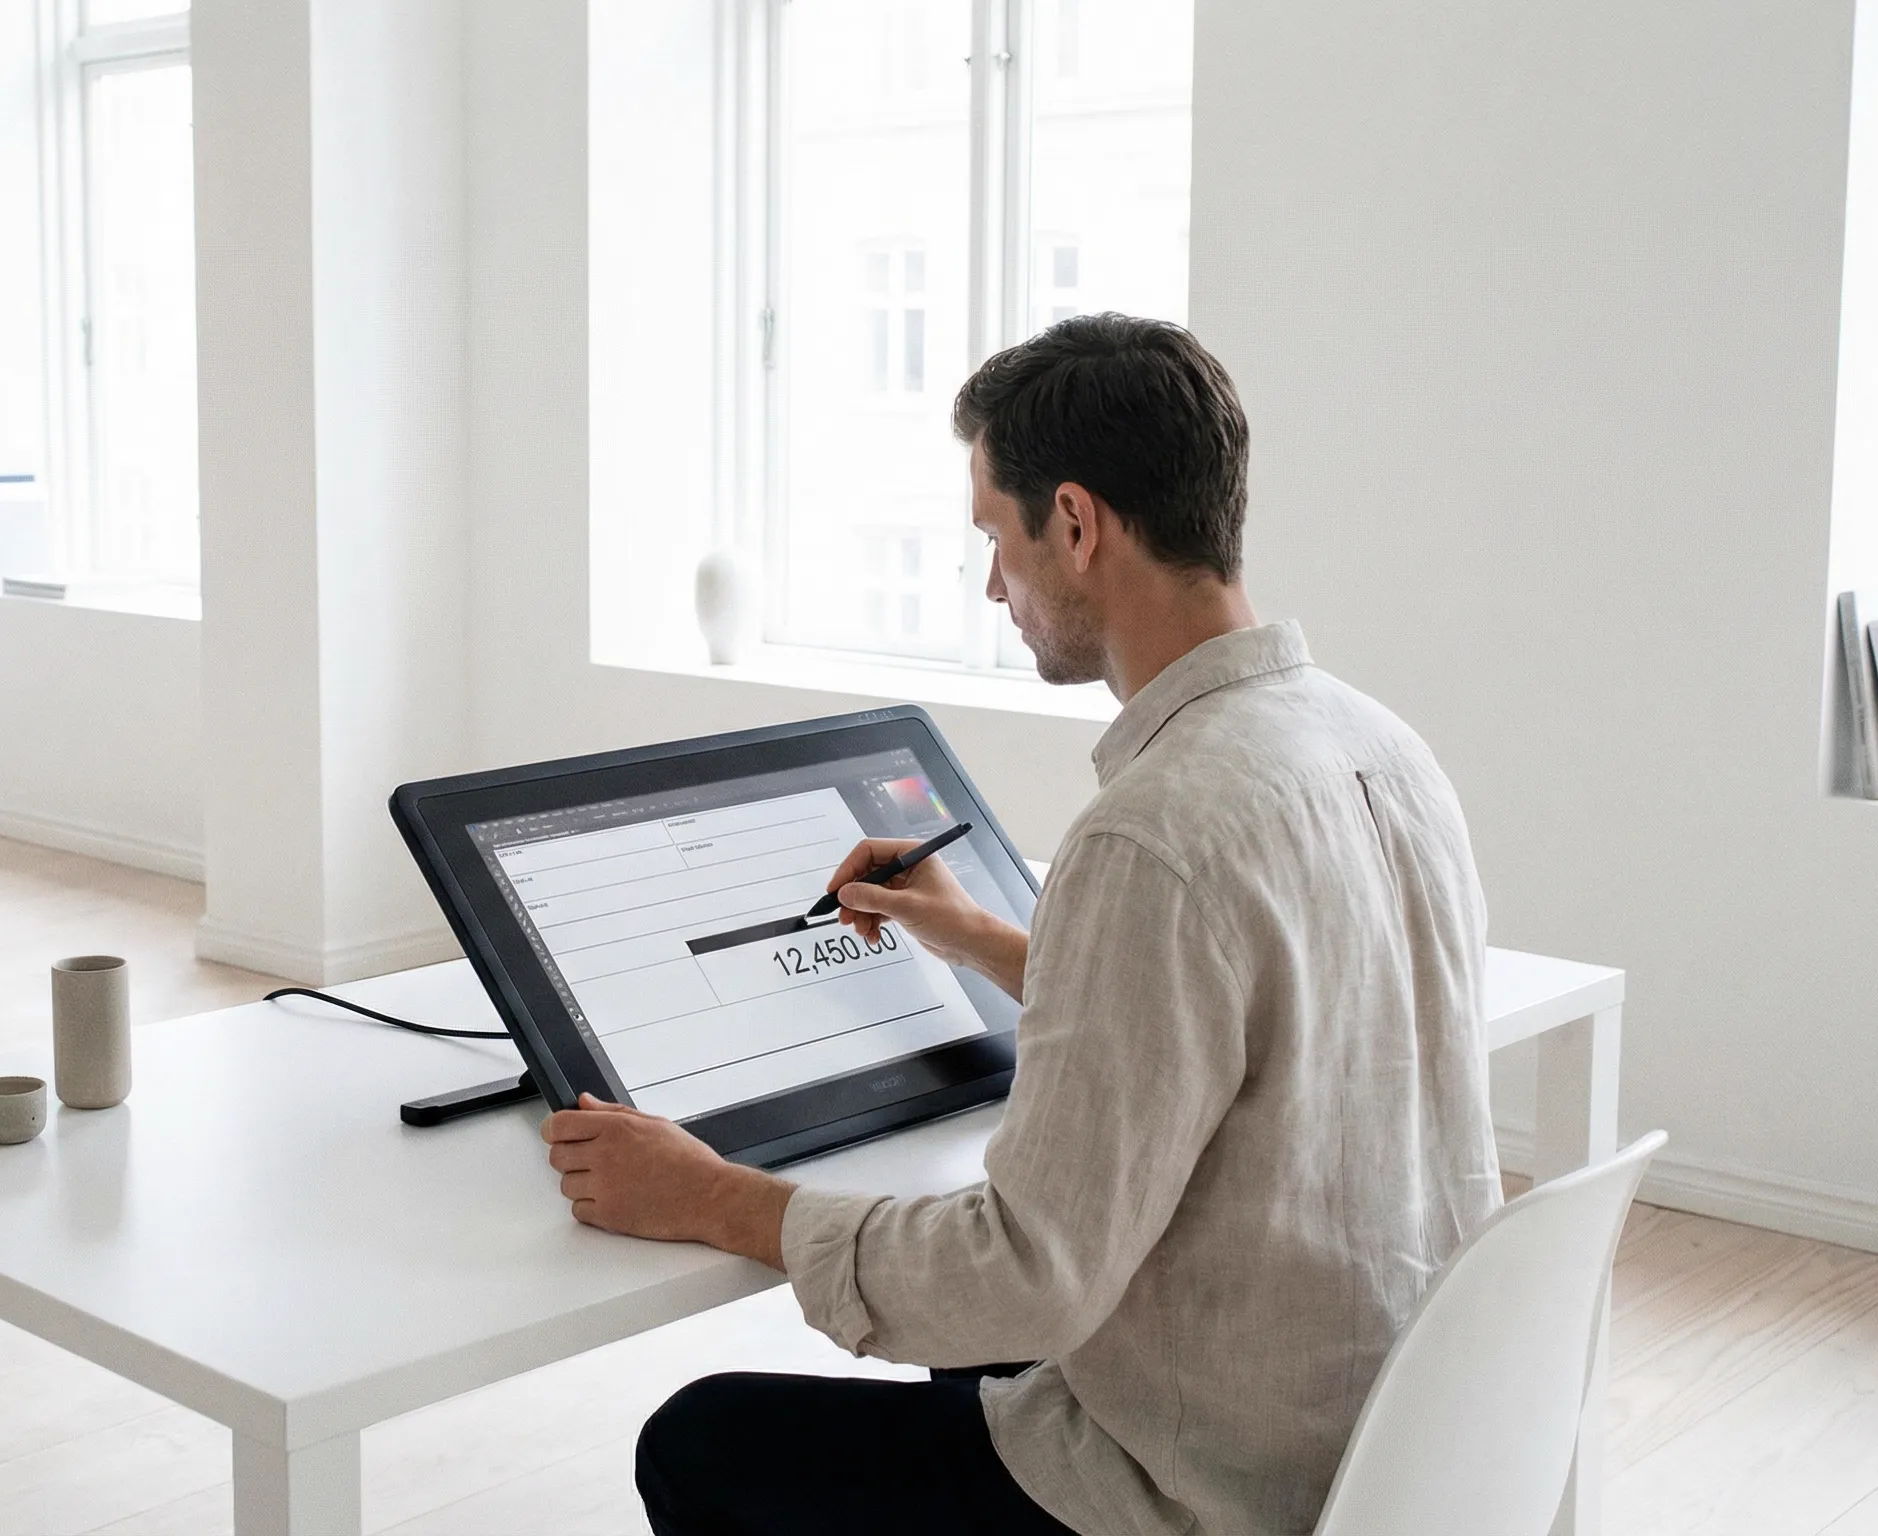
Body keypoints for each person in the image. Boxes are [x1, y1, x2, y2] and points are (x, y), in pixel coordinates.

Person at [540, 313, 1501, 1536]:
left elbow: (1023, 1275)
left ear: (1077, 524)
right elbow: (1240, 1012)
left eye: (995, 536)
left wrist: (712, 1195)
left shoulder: (1151, 833)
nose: (994, 583)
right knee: (963, 1356)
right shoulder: (1379, 743)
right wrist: (977, 938)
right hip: (1391, 1436)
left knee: (701, 1439)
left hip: (1212, 1488)